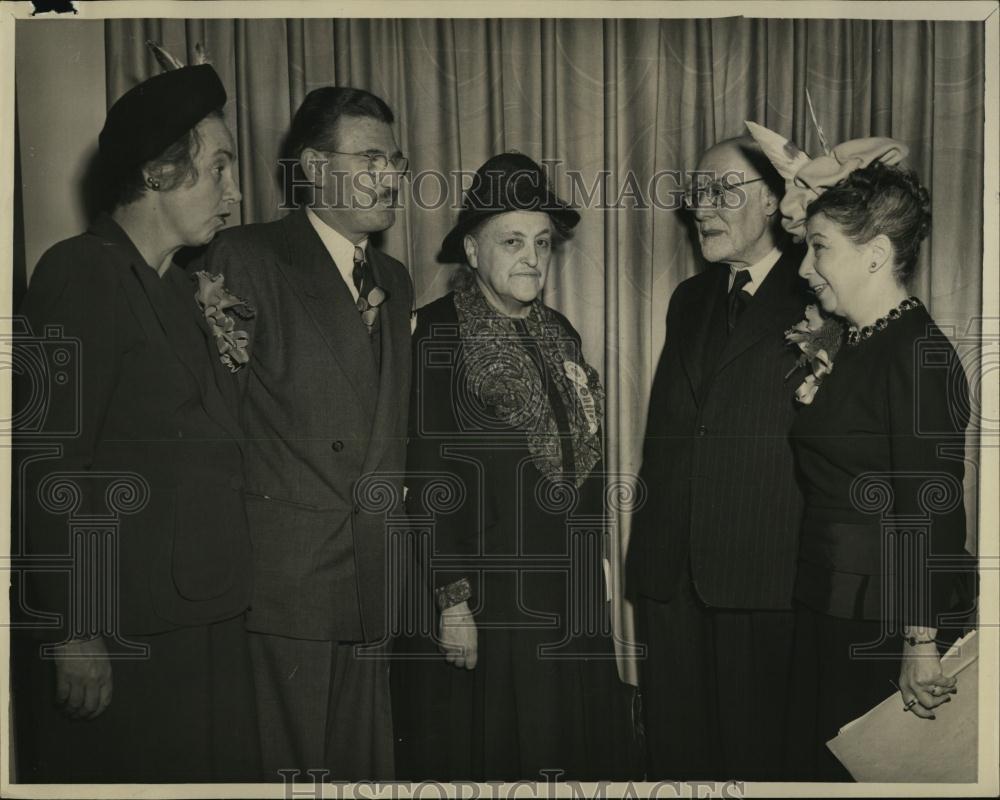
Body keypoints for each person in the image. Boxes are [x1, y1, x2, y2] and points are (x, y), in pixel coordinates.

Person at [13, 53, 258, 781]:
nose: (236, 192)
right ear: (158, 173)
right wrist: (75, 630)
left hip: (197, 615)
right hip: (126, 634)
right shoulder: (80, 272)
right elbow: (50, 469)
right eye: (219, 168)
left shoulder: (176, 290)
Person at [391, 153, 638, 780]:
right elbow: (426, 479)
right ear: (473, 251)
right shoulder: (436, 335)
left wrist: (599, 568)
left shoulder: (562, 334)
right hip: (487, 597)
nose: (532, 256)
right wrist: (451, 603)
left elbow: (583, 464)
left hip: (568, 593)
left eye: (542, 242)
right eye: (512, 241)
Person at [748, 125, 973, 780]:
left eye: (819, 248)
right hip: (833, 603)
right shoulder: (861, 342)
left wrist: (921, 642)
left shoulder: (916, 354)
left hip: (881, 622)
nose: (803, 266)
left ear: (874, 254)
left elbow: (929, 506)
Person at [201, 86, 413, 780]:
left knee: (365, 771)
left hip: (371, 577)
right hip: (286, 584)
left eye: (396, 159)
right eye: (370, 158)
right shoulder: (247, 258)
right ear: (315, 168)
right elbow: (213, 432)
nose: (389, 176)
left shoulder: (396, 279)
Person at [626, 136, 809, 780]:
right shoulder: (689, 299)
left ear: (774, 201)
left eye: (721, 192)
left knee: (757, 762)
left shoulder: (821, 291)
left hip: (763, 578)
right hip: (670, 577)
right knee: (678, 761)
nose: (702, 208)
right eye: (697, 193)